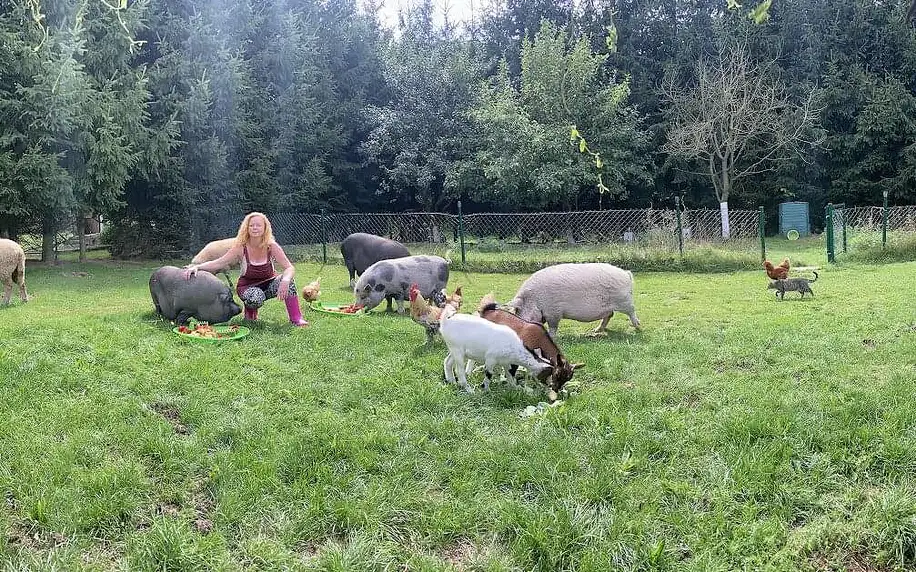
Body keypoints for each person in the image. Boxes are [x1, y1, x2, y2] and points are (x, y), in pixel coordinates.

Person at [184, 212, 308, 327]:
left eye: (258, 225)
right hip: (247, 287)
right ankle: (250, 314)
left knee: (289, 281)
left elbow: (289, 267)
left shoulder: (272, 246)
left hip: (269, 283)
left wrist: (285, 280)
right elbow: (219, 262)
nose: (254, 228)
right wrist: (198, 266)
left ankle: (296, 318)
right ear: (246, 228)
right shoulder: (240, 247)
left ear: (265, 228)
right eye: (251, 225)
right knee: (256, 297)